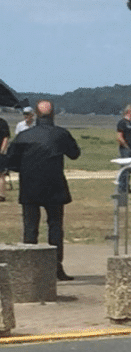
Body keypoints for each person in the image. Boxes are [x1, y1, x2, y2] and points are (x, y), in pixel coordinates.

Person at [4, 100, 80, 281]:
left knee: (30, 228)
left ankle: (29, 269)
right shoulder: (61, 134)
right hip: (54, 186)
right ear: (53, 114)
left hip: (30, 186)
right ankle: (56, 267)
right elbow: (75, 154)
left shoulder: (23, 136)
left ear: (36, 115)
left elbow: (11, 162)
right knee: (55, 228)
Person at [116, 103, 131, 193]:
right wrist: (126, 146)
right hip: (126, 149)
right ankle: (122, 187)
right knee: (125, 169)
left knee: (130, 170)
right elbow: (119, 137)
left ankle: (127, 186)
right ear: (129, 111)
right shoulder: (122, 122)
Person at [0, 118, 10, 202]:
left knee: (1, 175)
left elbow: (6, 138)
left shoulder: (3, 123)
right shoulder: (3, 122)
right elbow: (6, 138)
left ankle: (1, 195)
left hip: (0, 153)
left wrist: (2, 151)